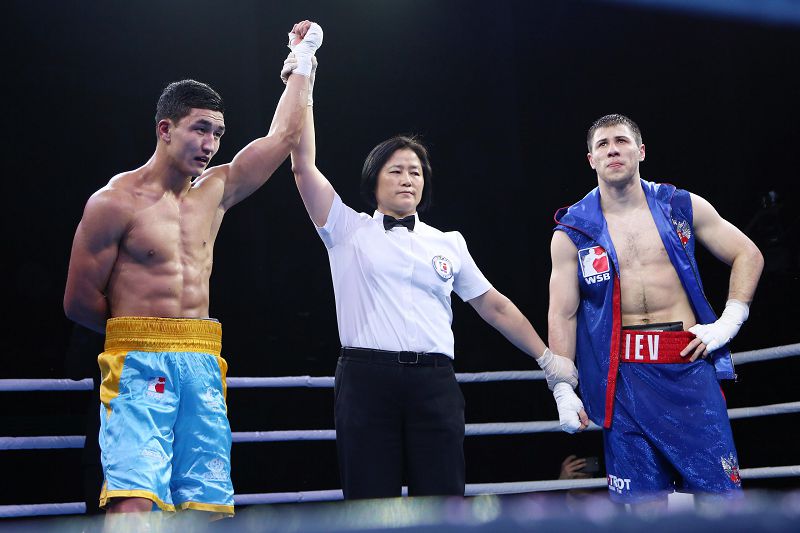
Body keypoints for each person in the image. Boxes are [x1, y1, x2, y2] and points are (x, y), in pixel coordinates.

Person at [283, 27, 579, 500]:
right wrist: (305, 75)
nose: (408, 178)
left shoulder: (448, 243)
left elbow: (494, 306)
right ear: (374, 180)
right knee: (370, 504)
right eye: (397, 170)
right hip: (366, 378)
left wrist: (548, 360)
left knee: (443, 501)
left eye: (415, 172)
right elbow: (303, 166)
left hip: (434, 382)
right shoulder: (347, 228)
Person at [63, 21, 323, 521]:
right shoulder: (114, 202)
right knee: (133, 499)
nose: (210, 143)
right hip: (138, 359)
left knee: (205, 505)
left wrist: (304, 60)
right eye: (200, 129)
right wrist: (141, 331)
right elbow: (78, 301)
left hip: (202, 357)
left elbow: (285, 136)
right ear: (165, 129)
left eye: (218, 133)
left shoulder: (216, 191)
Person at [548, 113, 764, 508]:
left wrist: (730, 321)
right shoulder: (573, 231)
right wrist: (562, 386)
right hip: (623, 380)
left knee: (719, 500)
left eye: (622, 141)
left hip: (687, 364)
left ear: (641, 151)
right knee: (644, 509)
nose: (613, 150)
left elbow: (747, 253)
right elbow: (563, 313)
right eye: (603, 145)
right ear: (591, 160)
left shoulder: (679, 206)